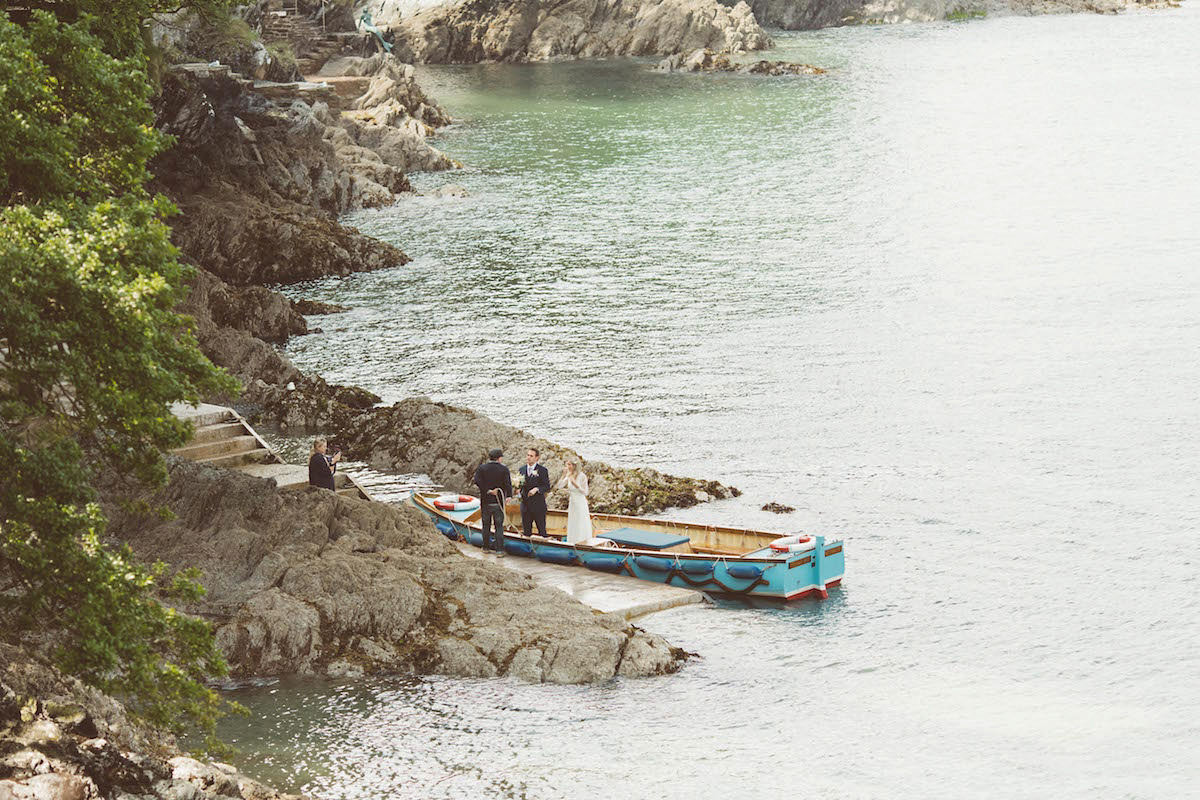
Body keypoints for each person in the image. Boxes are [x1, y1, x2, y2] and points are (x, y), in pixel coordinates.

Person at [473, 448, 512, 556]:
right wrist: (509, 496)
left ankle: (485, 548)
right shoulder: (504, 469)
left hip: (485, 501)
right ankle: (499, 551)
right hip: (498, 502)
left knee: (486, 525)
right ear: (499, 458)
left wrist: (488, 490)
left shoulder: (482, 468)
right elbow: (507, 484)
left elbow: (477, 481)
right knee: (498, 526)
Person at [555, 460, 591, 545]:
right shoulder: (569, 475)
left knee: (580, 522)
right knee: (573, 522)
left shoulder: (582, 476)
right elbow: (559, 486)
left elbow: (586, 492)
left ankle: (581, 541)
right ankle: (572, 541)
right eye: (567, 464)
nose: (568, 466)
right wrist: (563, 476)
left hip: (580, 502)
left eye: (569, 465)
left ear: (574, 466)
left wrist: (576, 485)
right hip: (573, 502)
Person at [519, 447, 550, 538]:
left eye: (531, 456)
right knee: (526, 531)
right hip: (525, 504)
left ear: (537, 458)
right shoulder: (522, 469)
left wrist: (537, 489)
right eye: (528, 455)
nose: (528, 457)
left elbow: (546, 486)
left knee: (542, 530)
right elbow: (519, 484)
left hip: (538, 505)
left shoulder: (542, 470)